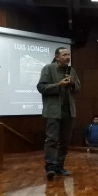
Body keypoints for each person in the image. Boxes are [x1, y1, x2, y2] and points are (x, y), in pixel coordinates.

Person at [37, 47, 81, 181]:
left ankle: (59, 166)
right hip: (53, 111)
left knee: (65, 141)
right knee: (52, 140)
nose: (68, 57)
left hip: (69, 111)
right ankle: (50, 167)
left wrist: (73, 83)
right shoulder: (48, 68)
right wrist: (59, 85)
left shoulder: (71, 70)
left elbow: (78, 87)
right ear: (57, 57)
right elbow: (41, 87)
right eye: (64, 55)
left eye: (68, 54)